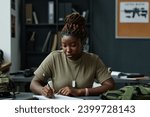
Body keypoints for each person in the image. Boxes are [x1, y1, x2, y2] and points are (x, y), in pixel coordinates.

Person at [30, 12, 115, 97]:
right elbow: (34, 84)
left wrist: (81, 91)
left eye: (73, 45)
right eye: (64, 45)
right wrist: (43, 91)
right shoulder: (54, 57)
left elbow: (110, 85)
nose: (68, 50)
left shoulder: (93, 60)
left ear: (82, 42)